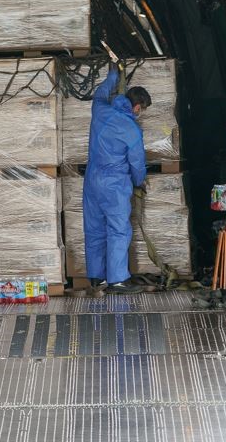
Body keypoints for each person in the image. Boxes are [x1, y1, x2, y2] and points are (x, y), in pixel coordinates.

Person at [82, 64, 152, 294]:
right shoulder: (132, 130)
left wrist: (113, 75)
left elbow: (100, 93)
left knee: (94, 228)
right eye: (141, 111)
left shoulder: (100, 110)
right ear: (137, 107)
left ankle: (96, 278)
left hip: (92, 181)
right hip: (114, 184)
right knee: (118, 230)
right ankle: (118, 280)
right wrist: (138, 181)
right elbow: (137, 164)